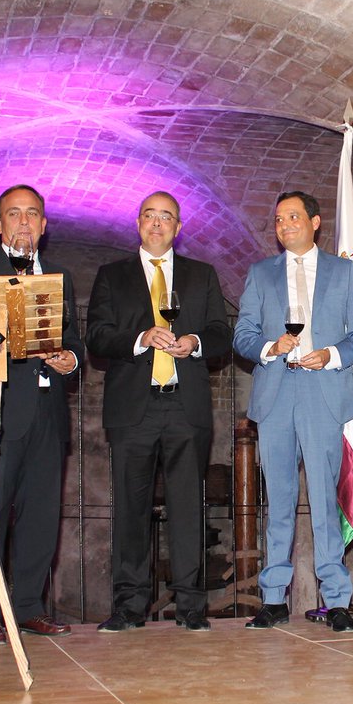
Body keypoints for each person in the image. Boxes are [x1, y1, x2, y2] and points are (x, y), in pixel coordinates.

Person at [86, 191, 231, 632]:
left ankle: (190, 606)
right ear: (137, 222)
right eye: (149, 215)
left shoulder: (201, 275)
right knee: (131, 509)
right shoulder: (112, 275)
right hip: (134, 406)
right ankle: (130, 605)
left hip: (185, 406)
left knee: (189, 507)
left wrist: (196, 343)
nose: (157, 223)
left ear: (178, 228)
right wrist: (139, 338)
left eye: (166, 217)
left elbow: (220, 333)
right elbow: (96, 336)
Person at [233, 191, 353, 634]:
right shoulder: (260, 274)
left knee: (325, 501)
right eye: (278, 219)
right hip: (275, 391)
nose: (284, 224)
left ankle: (336, 599)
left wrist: (330, 354)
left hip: (323, 391)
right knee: (278, 500)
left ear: (315, 222)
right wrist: (270, 347)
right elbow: (243, 335)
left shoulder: (343, 270)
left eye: (293, 217)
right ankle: (274, 598)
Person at [0, 185, 83, 645]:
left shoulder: (60, 276)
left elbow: (75, 341)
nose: (23, 222)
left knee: (41, 515)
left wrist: (69, 360)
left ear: (44, 225)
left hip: (49, 412)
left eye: (32, 214)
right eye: (13, 214)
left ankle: (30, 607)